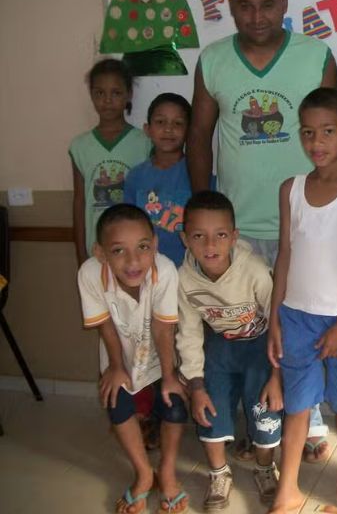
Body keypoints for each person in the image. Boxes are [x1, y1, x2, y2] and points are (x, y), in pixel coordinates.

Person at [186, 0, 337, 463]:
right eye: (244, 6)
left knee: (302, 325)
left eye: (267, 4)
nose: (256, 16)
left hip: (305, 224)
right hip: (237, 232)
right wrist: (201, 218)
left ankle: (308, 418)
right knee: (242, 336)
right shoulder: (213, 61)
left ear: (285, 4)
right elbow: (198, 140)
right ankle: (253, 419)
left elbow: (335, 135)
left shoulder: (316, 55)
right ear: (231, 9)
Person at [267, 88, 337, 514]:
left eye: (327, 131)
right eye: (308, 133)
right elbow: (285, 256)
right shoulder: (291, 188)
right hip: (296, 317)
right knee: (297, 406)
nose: (317, 142)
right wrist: (274, 319)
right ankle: (287, 490)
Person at [76, 204, 187, 514]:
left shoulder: (164, 270)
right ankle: (143, 474)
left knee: (173, 405)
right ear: (100, 253)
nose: (134, 261)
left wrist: (168, 375)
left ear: (155, 243)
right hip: (119, 355)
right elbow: (105, 325)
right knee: (116, 401)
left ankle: (166, 473)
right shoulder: (89, 273)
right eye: (118, 251)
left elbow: (164, 328)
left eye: (142, 247)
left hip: (158, 353)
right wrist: (115, 366)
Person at [176, 191, 283, 510]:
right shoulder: (183, 280)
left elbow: (278, 321)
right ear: (185, 239)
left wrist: (277, 375)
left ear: (234, 237)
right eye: (199, 236)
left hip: (260, 347)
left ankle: (265, 468)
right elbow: (189, 334)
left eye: (220, 235)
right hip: (219, 349)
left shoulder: (254, 269)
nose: (210, 246)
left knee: (265, 413)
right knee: (209, 408)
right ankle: (218, 473)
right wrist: (194, 385)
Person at [70, 59, 150, 265]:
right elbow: (80, 202)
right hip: (96, 251)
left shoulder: (145, 143)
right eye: (99, 93)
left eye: (115, 93)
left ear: (128, 94)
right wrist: (80, 254)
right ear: (91, 95)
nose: (107, 100)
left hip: (134, 252)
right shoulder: (79, 147)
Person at [124, 93, 193, 268]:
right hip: (145, 271)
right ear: (147, 129)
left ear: (189, 130)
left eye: (178, 123)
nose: (168, 129)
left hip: (187, 271)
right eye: (161, 122)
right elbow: (127, 226)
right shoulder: (135, 177)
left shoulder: (198, 174)